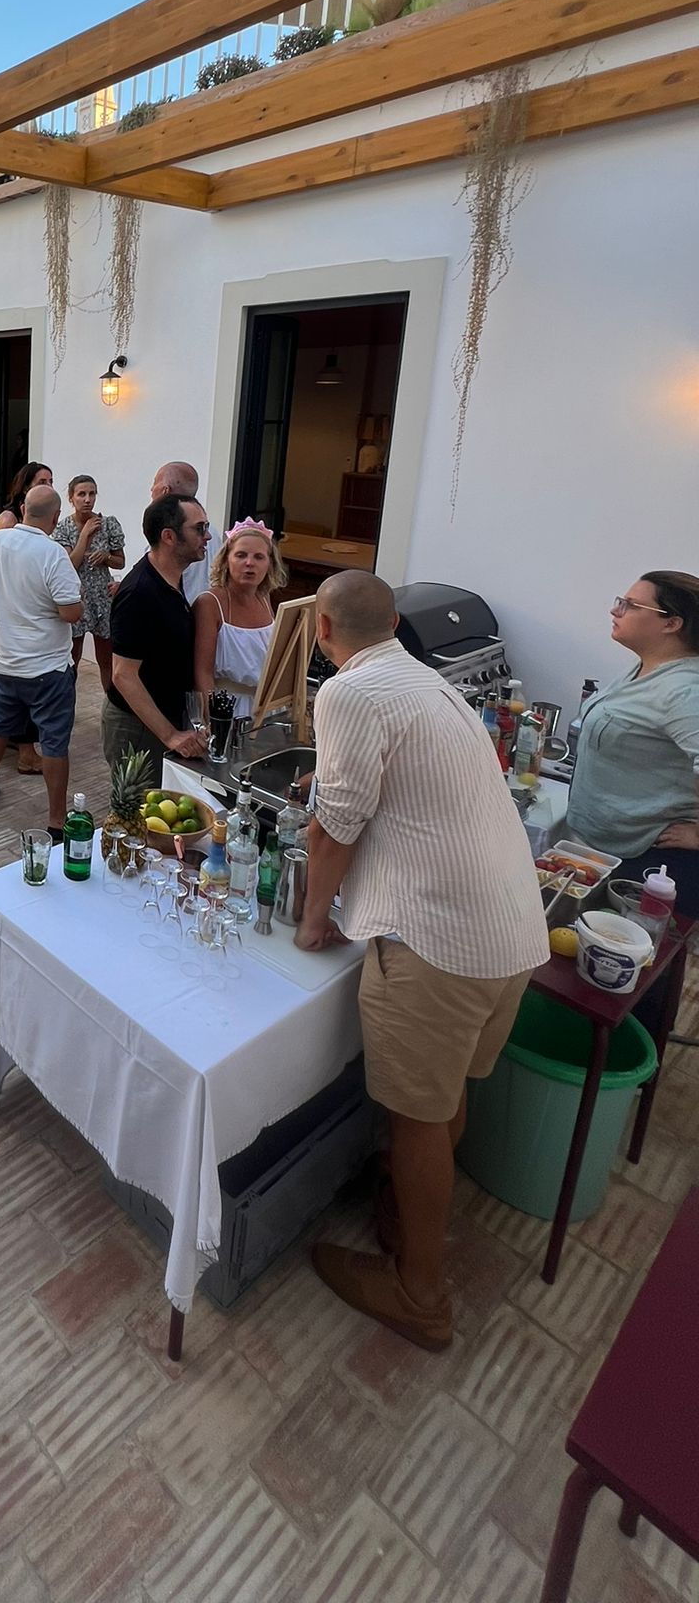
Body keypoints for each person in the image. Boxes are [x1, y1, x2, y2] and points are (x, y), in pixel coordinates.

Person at [296, 571, 547, 1353]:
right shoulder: (429, 682)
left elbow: (334, 827)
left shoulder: (348, 691)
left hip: (440, 942)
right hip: (512, 932)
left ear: (322, 631)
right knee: (444, 1099)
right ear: (397, 625)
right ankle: (408, 1219)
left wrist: (314, 921)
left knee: (417, 1118)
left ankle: (421, 1294)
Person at [0, 484, 82, 837]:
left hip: (4, 663)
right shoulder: (53, 554)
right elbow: (71, 612)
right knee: (53, 741)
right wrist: (70, 601)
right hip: (47, 667)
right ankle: (56, 819)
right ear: (56, 517)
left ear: (23, 509)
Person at [566, 571, 699, 916]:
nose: (616, 611)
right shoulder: (648, 668)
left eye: (631, 605)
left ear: (671, 623)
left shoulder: (684, 692)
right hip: (606, 845)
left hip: (647, 858)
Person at [104, 493, 212, 784]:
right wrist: (171, 735)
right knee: (138, 808)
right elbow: (123, 675)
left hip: (160, 720)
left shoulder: (171, 578)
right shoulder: (139, 593)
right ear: (169, 536)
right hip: (138, 728)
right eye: (199, 528)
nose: (207, 536)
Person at [0, 462, 53, 776]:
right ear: (25, 487)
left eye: (51, 481)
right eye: (42, 481)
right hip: (7, 612)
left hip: (24, 612)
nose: (48, 485)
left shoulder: (43, 523)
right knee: (17, 678)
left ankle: (14, 739)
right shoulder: (8, 520)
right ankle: (25, 751)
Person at [193, 517, 287, 718]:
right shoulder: (210, 603)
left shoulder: (264, 597)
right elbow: (202, 672)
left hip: (267, 708)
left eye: (259, 557)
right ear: (227, 559)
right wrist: (211, 720)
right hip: (228, 709)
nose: (249, 563)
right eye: (241, 555)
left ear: (270, 564)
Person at [54, 475, 126, 696]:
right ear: (71, 498)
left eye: (92, 494)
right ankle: (66, 704)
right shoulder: (63, 527)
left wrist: (106, 557)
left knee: (106, 658)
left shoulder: (108, 523)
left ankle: (111, 702)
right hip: (76, 597)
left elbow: (120, 561)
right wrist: (84, 534)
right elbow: (69, 565)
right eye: (81, 494)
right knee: (72, 657)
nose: (87, 499)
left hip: (103, 597)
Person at [151, 461, 219, 604]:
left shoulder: (169, 532)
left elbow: (155, 576)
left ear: (165, 490)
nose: (151, 489)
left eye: (155, 482)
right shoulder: (213, 532)